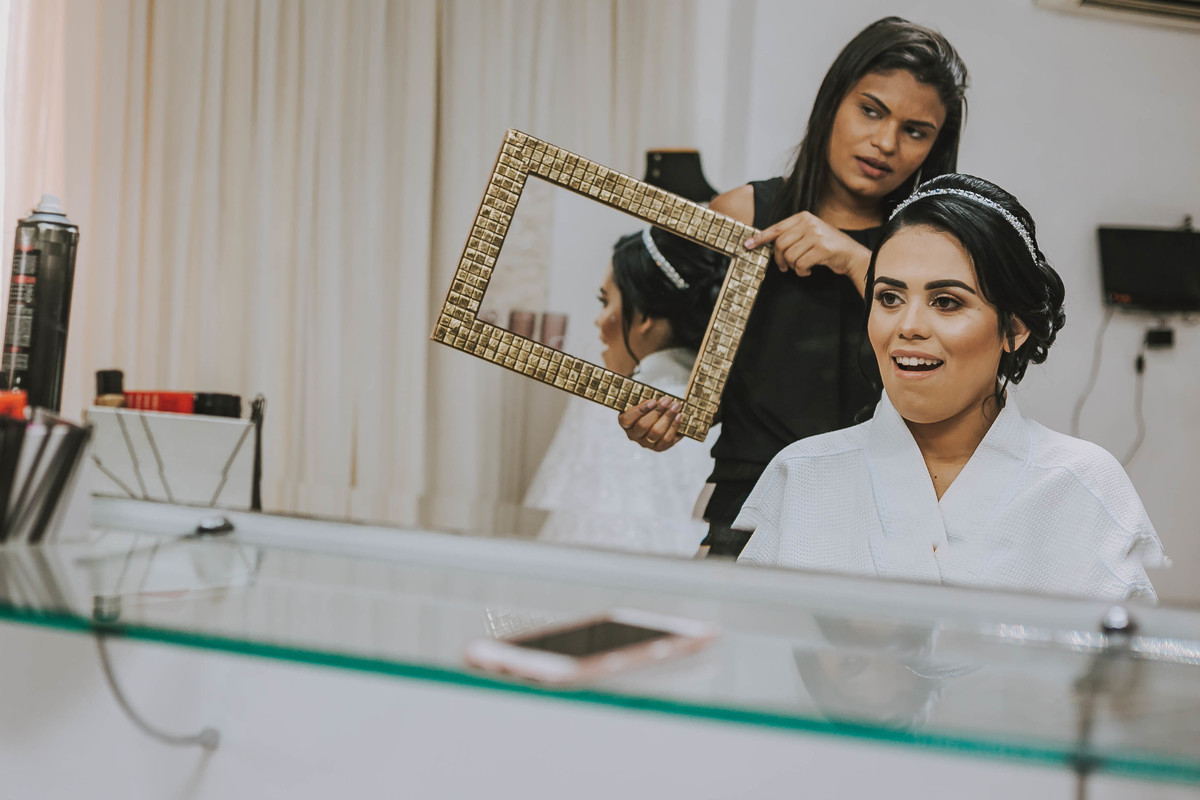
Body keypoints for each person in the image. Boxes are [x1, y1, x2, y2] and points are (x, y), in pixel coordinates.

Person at [618, 17, 970, 556]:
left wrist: (854, 259)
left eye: (915, 131)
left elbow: (953, 380)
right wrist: (664, 413)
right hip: (748, 510)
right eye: (871, 110)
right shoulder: (744, 214)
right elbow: (698, 367)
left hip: (886, 521)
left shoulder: (935, 246)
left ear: (934, 145)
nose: (885, 142)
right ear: (832, 102)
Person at [735, 174, 1167, 602]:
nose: (908, 327)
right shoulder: (803, 476)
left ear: (1014, 328)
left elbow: (1121, 647)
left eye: (946, 302)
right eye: (889, 298)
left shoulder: (1082, 484)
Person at [524, 228, 727, 556]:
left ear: (643, 316)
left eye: (605, 301)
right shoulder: (725, 407)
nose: (598, 320)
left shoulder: (615, 403)